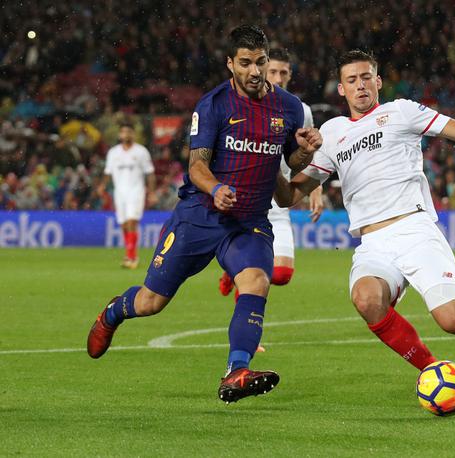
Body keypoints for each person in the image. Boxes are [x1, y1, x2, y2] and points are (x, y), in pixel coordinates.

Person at [274, 50, 455, 373]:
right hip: (372, 243)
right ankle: (433, 370)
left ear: (379, 81)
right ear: (341, 89)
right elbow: (288, 196)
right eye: (352, 80)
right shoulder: (330, 133)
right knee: (367, 299)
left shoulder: (402, 112)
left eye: (366, 78)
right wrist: (273, 158)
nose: (360, 86)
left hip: (414, 230)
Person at [87, 25, 322, 404]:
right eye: (245, 63)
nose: (255, 71)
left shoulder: (289, 107)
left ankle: (236, 370)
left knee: (258, 280)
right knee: (151, 302)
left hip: (248, 222)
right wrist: (215, 189)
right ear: (230, 63)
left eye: (260, 62)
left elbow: (289, 164)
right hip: (200, 216)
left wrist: (305, 152)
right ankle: (114, 312)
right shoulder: (213, 105)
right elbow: (197, 166)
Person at [219, 48, 324, 303]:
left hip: (278, 202)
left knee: (282, 273)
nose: (278, 77)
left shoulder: (299, 109)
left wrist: (316, 190)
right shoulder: (242, 104)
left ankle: (233, 273)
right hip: (247, 199)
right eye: (273, 71)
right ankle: (248, 335)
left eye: (284, 72)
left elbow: (310, 152)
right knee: (256, 274)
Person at [103, 122, 155, 268]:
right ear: (120, 135)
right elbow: (108, 172)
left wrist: (151, 192)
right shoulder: (113, 153)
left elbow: (150, 173)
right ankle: (130, 255)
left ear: (133, 134)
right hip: (119, 192)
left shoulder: (141, 152)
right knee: (124, 225)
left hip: (136, 190)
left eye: (129, 132)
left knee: (132, 222)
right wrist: (102, 186)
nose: (126, 135)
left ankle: (131, 257)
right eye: (123, 132)